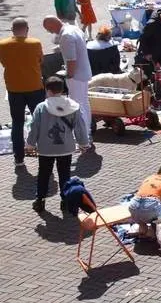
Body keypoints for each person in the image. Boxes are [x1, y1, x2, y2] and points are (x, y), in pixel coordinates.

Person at [28, 75, 90, 213]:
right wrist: (83, 143)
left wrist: (30, 144)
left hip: (46, 148)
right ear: (62, 90)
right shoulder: (72, 106)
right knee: (65, 175)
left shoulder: (41, 107)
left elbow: (34, 127)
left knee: (44, 174)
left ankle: (40, 200)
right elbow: (80, 126)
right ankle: (65, 200)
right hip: (65, 148)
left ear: (47, 90)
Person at [0, 19, 45, 168]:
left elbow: (4, 63)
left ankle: (19, 158)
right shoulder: (35, 43)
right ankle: (44, 152)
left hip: (14, 89)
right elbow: (40, 61)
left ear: (12, 29)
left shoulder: (2, 45)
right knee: (40, 121)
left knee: (17, 123)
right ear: (27, 29)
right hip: (35, 87)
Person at [42, 15, 92, 134]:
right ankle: (87, 130)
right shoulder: (74, 28)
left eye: (48, 29)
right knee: (84, 102)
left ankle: (83, 133)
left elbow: (71, 60)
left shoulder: (65, 36)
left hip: (76, 76)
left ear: (52, 25)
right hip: (84, 72)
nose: (49, 32)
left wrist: (68, 75)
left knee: (77, 104)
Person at [128, 166, 161, 238]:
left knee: (143, 212)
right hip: (149, 210)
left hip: (133, 208)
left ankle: (142, 227)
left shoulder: (149, 178)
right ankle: (153, 228)